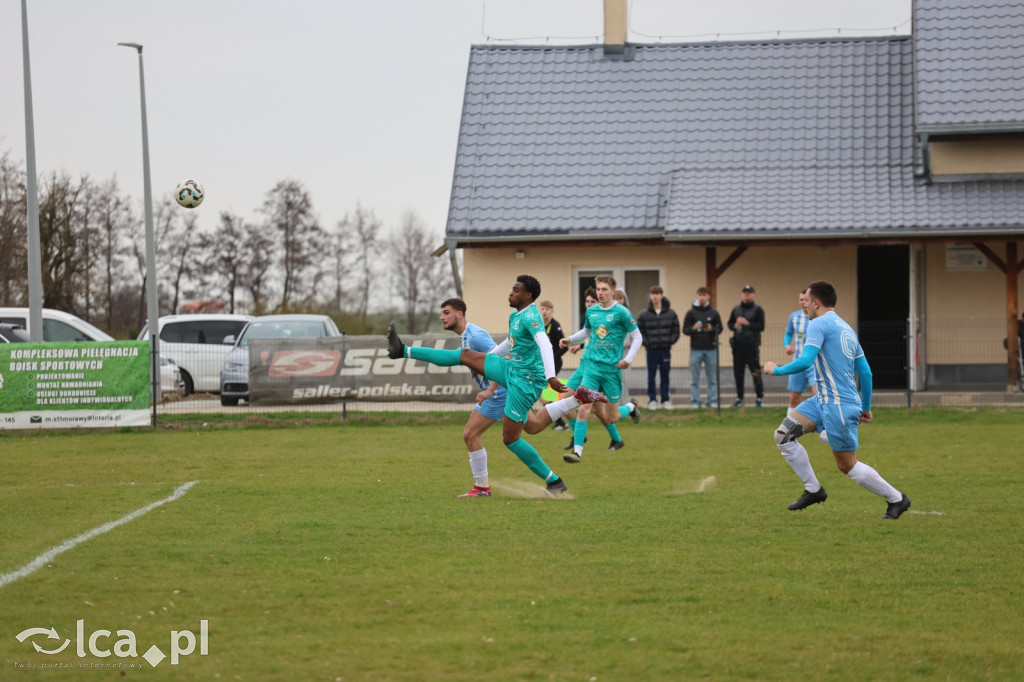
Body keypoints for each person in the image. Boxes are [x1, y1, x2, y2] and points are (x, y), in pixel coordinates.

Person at [386, 275, 607, 496]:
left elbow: (545, 343)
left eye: (516, 289)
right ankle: (403, 350)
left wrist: (550, 376)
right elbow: (507, 344)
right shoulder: (516, 316)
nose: (510, 293)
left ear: (528, 295)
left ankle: (554, 480)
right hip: (512, 370)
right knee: (465, 355)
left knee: (513, 437)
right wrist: (485, 361)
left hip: (525, 380)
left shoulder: (531, 316)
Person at [764, 280, 911, 520]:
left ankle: (897, 499)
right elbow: (865, 372)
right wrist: (866, 407)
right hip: (823, 400)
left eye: (808, 301)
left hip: (839, 405)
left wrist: (775, 370)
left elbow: (805, 361)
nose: (806, 307)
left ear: (816, 302)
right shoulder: (847, 328)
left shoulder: (819, 324)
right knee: (783, 435)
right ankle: (814, 489)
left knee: (847, 465)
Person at [559, 275, 642, 464]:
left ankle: (630, 406)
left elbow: (637, 337)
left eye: (604, 289)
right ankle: (577, 451)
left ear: (613, 292)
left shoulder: (622, 313)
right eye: (598, 289)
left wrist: (627, 359)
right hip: (592, 369)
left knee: (611, 417)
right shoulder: (592, 312)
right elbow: (587, 332)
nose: (600, 292)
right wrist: (570, 340)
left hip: (612, 371)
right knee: (582, 407)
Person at [436, 298, 507, 498]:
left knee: (470, 434)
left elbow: (500, 359)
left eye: (446, 312)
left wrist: (490, 390)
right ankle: (554, 481)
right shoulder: (466, 336)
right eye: (441, 313)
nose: (442, 317)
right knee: (532, 427)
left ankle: (482, 488)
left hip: (499, 391)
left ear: (459, 314)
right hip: (502, 389)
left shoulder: (475, 335)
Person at [636, 285, 680, 410]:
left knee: (665, 375)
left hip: (665, 350)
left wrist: (669, 342)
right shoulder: (643, 314)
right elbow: (639, 332)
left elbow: (676, 330)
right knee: (651, 376)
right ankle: (652, 400)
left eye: (657, 293)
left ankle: (666, 400)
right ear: (650, 296)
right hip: (651, 351)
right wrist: (647, 343)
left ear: (662, 295)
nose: (655, 296)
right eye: (653, 294)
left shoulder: (671, 314)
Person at [682, 286, 722, 408]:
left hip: (711, 349)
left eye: (704, 295)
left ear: (708, 297)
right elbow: (685, 330)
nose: (702, 298)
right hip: (695, 350)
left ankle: (712, 401)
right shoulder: (691, 313)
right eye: (700, 295)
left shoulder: (714, 312)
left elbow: (720, 328)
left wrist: (712, 329)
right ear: (696, 296)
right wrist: (693, 328)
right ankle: (695, 402)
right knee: (694, 379)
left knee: (712, 378)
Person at [728, 284, 765, 407]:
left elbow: (761, 326)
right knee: (738, 374)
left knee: (755, 373)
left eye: (749, 293)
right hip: (738, 347)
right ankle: (739, 398)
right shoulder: (736, 309)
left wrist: (747, 323)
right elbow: (729, 324)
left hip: (752, 346)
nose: (747, 295)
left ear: (754, 295)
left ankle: (759, 398)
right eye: (745, 292)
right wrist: (735, 325)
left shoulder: (758, 310)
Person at [538, 300, 569, 430]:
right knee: (542, 394)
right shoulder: (539, 326)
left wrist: (551, 359)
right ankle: (559, 421)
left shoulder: (555, 326)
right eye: (543, 309)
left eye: (547, 309)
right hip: (542, 364)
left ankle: (560, 420)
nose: (544, 311)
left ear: (552, 311)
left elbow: (564, 347)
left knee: (545, 392)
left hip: (554, 364)